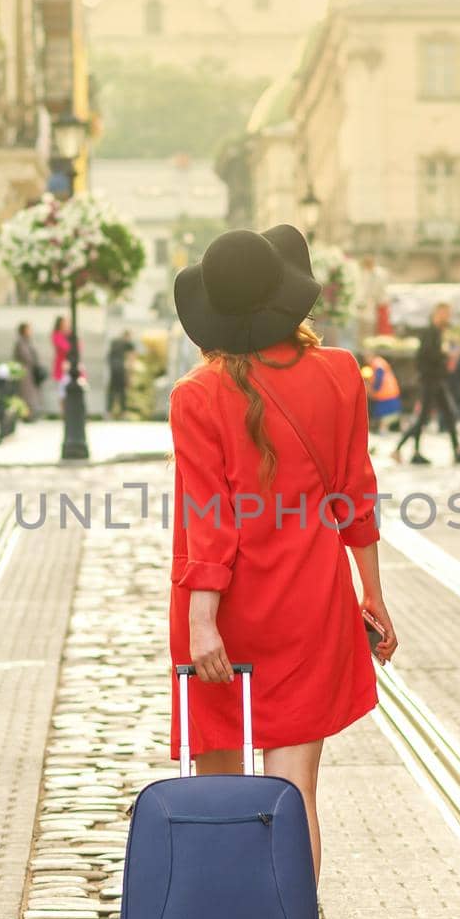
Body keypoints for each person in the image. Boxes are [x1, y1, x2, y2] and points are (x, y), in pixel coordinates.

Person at [169, 223, 398, 879]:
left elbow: (208, 517)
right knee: (294, 789)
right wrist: (371, 592)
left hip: (226, 604)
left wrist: (202, 618)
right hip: (310, 598)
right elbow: (355, 491)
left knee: (217, 788)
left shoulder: (197, 395)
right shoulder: (339, 374)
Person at [393, 302, 460, 466]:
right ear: (437, 314)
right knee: (423, 418)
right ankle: (400, 449)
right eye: (445, 314)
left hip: (437, 380)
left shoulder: (438, 332)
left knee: (448, 415)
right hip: (430, 381)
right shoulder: (430, 332)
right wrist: (445, 354)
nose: (448, 317)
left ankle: (456, 450)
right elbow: (425, 355)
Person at [360, 351, 401, 435]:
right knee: (384, 413)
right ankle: (383, 428)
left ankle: (383, 429)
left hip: (386, 393)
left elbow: (379, 376)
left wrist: (374, 388)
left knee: (386, 413)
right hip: (386, 393)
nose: (366, 360)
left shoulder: (377, 363)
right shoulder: (375, 364)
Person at [12, 322, 43, 420]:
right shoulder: (20, 342)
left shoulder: (28, 342)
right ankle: (25, 415)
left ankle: (29, 415)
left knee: (30, 395)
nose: (30, 331)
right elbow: (26, 357)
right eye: (28, 329)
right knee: (25, 395)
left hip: (30, 372)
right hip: (24, 372)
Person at [106, 329, 134, 417]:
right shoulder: (128, 344)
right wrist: (129, 374)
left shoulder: (114, 342)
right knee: (122, 391)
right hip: (122, 369)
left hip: (113, 369)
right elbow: (130, 358)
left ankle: (109, 412)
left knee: (112, 391)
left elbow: (108, 356)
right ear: (127, 336)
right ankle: (123, 412)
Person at [51, 316, 71, 409]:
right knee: (62, 393)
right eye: (64, 323)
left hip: (71, 367)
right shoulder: (56, 335)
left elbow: (78, 347)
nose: (66, 325)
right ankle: (64, 413)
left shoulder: (70, 334)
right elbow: (65, 348)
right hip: (61, 368)